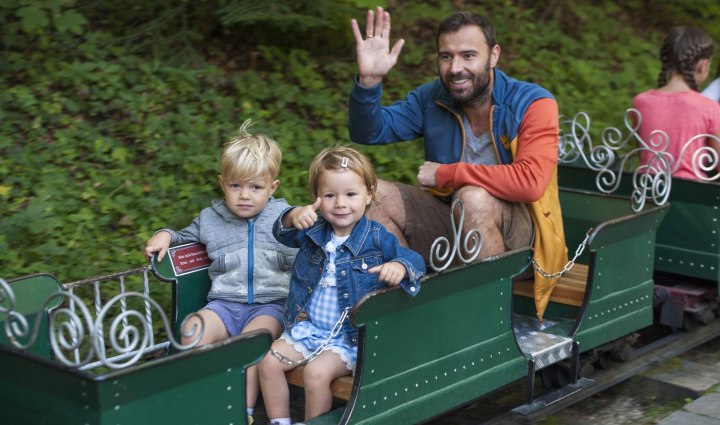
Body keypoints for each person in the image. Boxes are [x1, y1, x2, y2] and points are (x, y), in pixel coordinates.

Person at [347, 7, 568, 321]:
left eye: (468, 55)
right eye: (446, 56)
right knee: (374, 193)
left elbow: (531, 182)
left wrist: (447, 174)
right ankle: (402, 306)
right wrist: (368, 82)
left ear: (493, 55)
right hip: (452, 225)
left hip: (523, 238)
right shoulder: (433, 98)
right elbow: (369, 130)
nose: (455, 68)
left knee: (472, 197)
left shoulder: (533, 102)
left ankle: (484, 322)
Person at [143, 120, 297, 425]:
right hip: (224, 304)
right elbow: (184, 235)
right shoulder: (210, 219)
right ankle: (197, 401)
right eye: (235, 186)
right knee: (192, 330)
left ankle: (242, 413)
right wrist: (165, 235)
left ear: (272, 187)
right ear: (222, 183)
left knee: (252, 342)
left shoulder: (284, 218)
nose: (244, 196)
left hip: (271, 305)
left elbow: (311, 248)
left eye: (256, 187)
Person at [258, 146, 425, 424]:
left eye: (351, 194)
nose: (340, 204)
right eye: (330, 195)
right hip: (310, 330)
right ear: (317, 198)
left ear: (369, 194)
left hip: (348, 339)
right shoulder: (312, 232)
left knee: (315, 373)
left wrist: (399, 267)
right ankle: (280, 421)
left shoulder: (375, 238)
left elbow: (414, 260)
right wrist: (292, 216)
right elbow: (282, 233)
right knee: (267, 362)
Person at [632, 26, 720, 180]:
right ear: (703, 65)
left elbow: (642, 152)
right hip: (688, 195)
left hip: (645, 190)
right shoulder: (709, 108)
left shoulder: (640, 102)